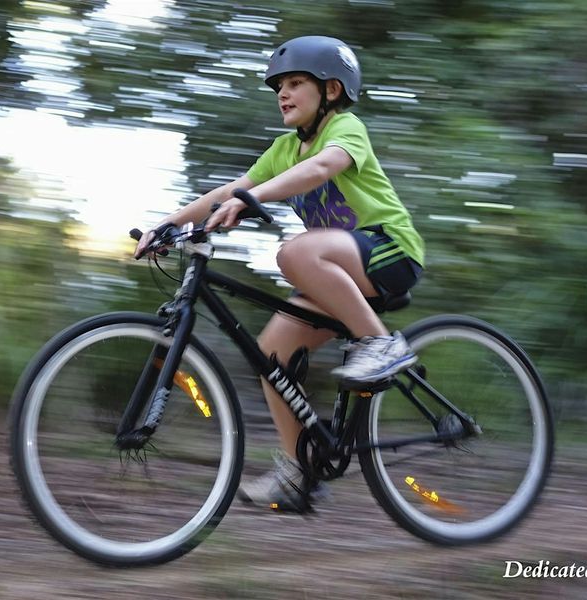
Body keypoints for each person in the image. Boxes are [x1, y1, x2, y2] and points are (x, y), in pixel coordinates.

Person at [134, 36, 425, 511]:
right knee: (272, 354)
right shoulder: (283, 149)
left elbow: (325, 168)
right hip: (339, 268)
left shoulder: (344, 128)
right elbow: (227, 190)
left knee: (294, 254)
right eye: (277, 87)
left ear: (331, 91)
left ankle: (381, 346)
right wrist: (168, 224)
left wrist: (255, 198)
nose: (282, 94)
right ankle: (298, 472)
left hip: (389, 252)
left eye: (294, 83)